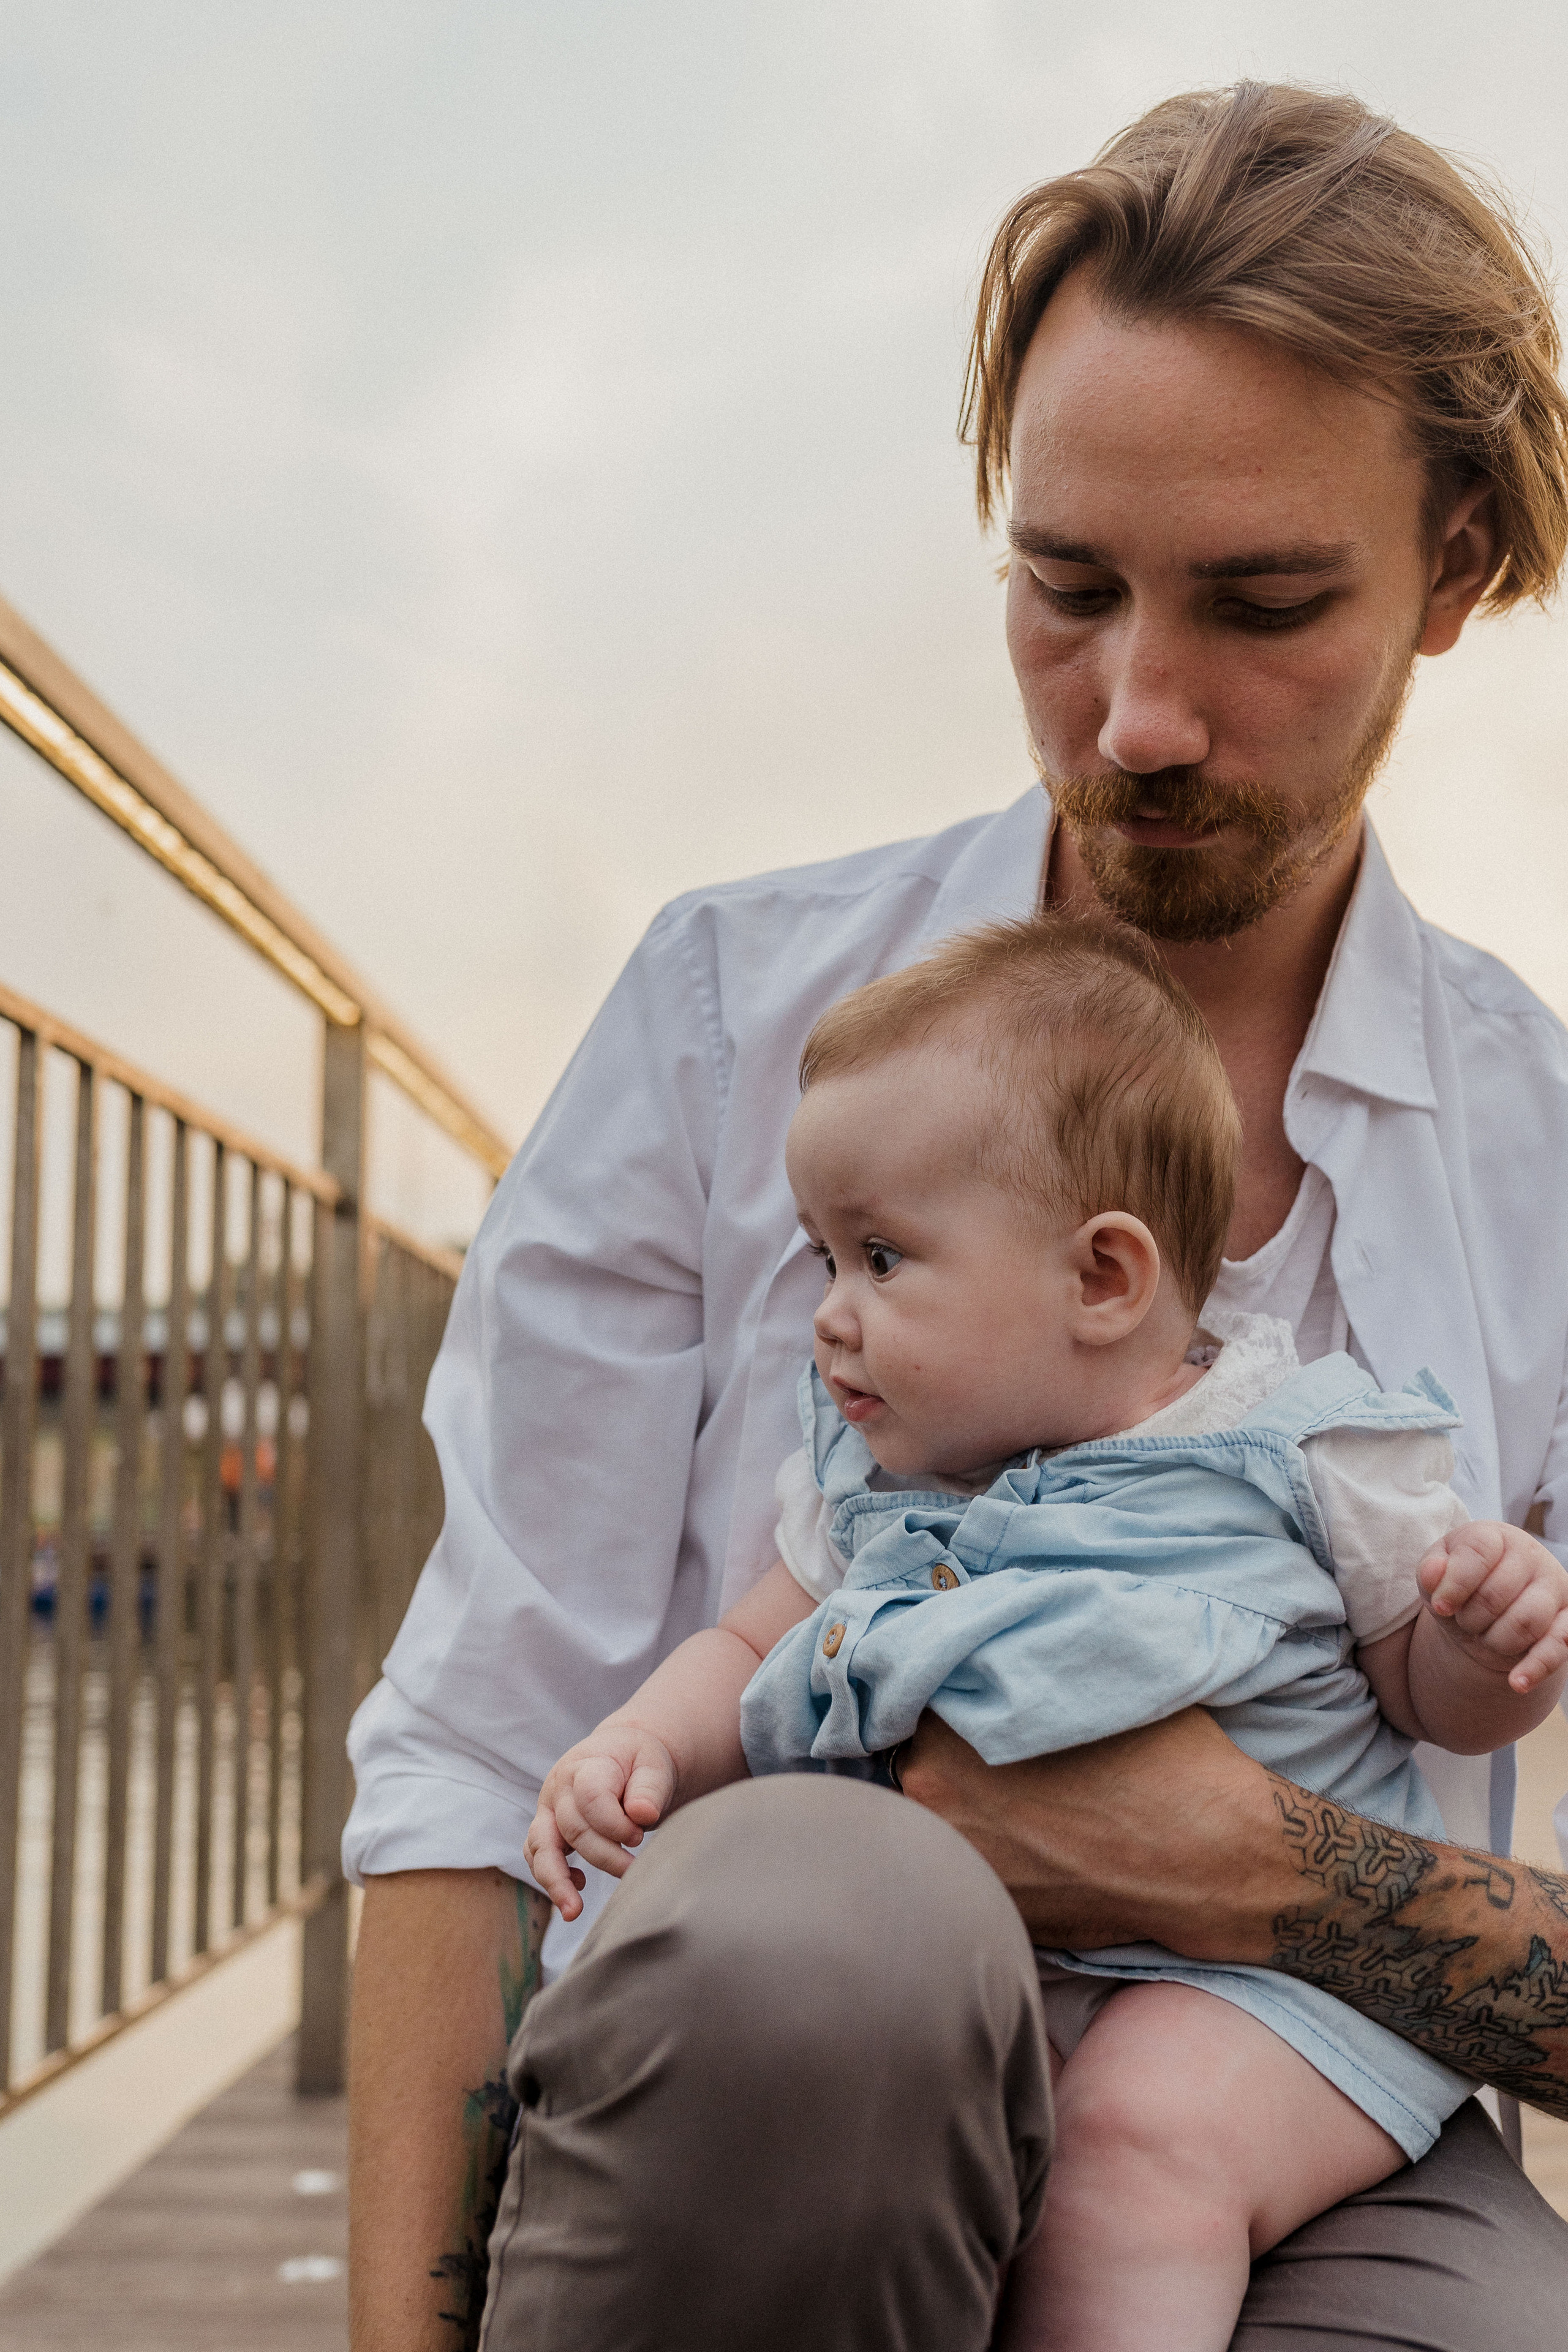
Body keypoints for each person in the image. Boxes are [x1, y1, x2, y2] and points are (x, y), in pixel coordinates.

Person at [344, 81, 1568, 2352]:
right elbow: (472, 1737)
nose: (1137, 719)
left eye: (1267, 603)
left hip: (1275, 2095)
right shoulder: (737, 1023)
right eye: (1065, 587)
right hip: (760, 2092)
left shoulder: (1545, 1150)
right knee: (833, 1946)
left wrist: (1264, 1868)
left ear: (1465, 563)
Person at [522, 915, 1568, 2351]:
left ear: (1100, 1280)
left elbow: (1426, 1699)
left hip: (1259, 1998)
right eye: (821, 1257)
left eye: (878, 1259)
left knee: (1130, 2153)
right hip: (949, 1995)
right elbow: (746, 1643)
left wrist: (1481, 1635)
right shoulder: (863, 1487)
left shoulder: (1297, 1451)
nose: (826, 1319)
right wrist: (639, 1741)